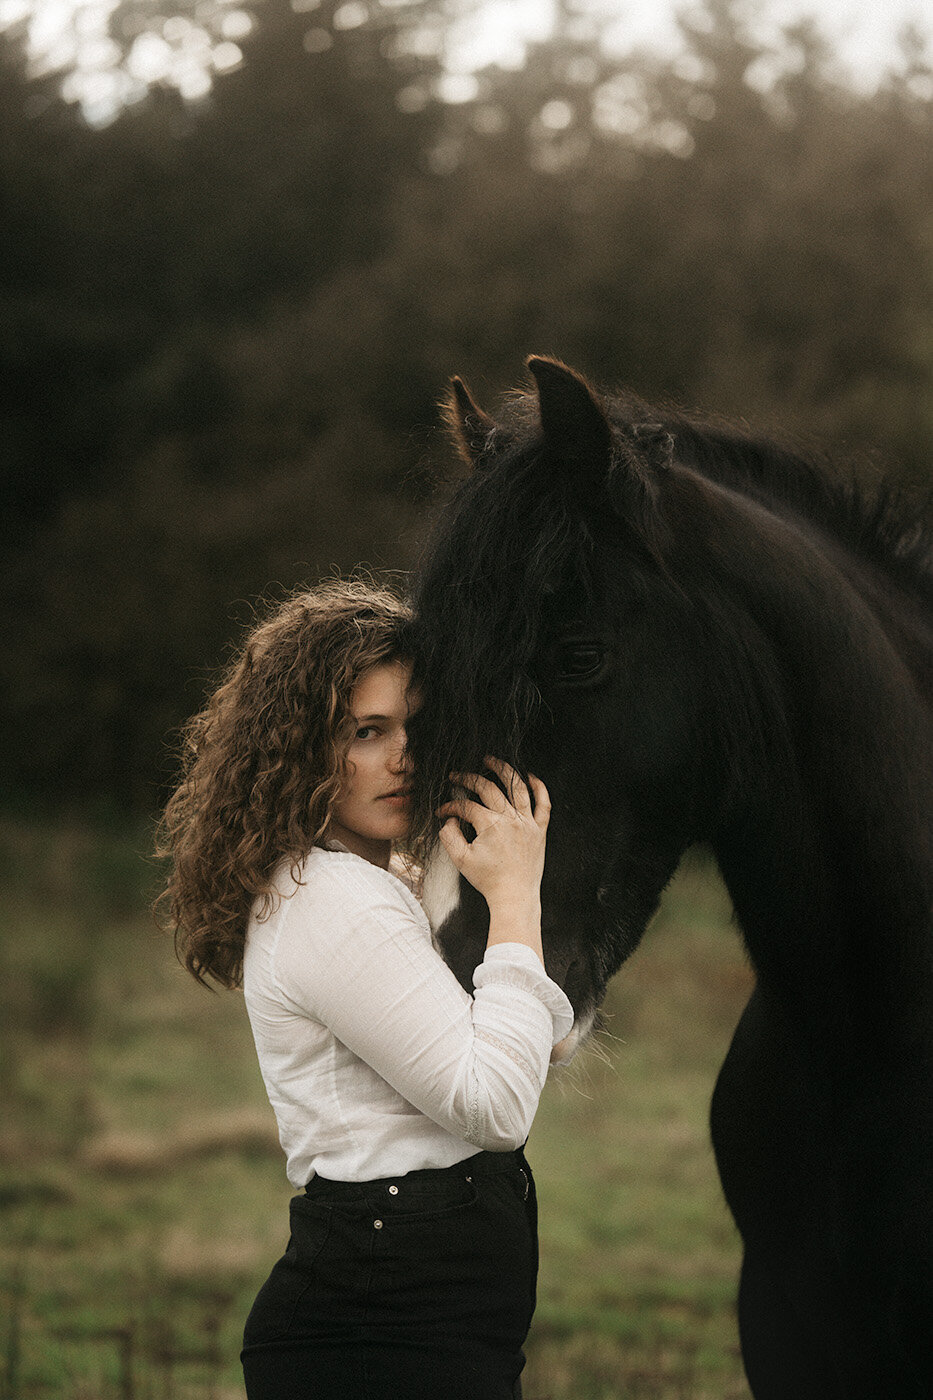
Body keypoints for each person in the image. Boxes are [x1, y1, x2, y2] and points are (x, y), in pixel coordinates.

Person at [157, 579, 573, 1400]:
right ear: (305, 746)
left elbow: (535, 1044)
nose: (403, 756)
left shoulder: (385, 883)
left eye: (417, 726)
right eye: (366, 731)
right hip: (377, 1334)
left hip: (419, 1318)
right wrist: (517, 896)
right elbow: (496, 1105)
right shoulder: (332, 899)